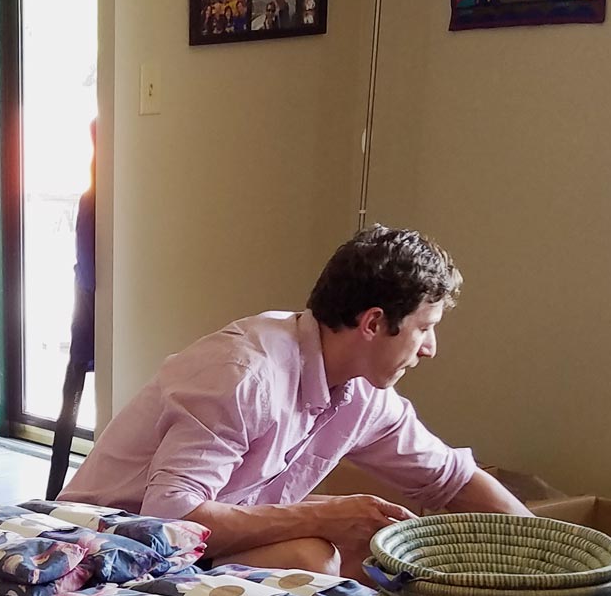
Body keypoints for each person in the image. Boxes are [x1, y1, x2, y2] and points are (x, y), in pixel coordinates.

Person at [58, 226, 530, 577]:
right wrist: (321, 513)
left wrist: (560, 560)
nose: (429, 349)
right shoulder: (245, 373)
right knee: (313, 556)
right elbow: (168, 519)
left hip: (188, 550)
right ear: (372, 323)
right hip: (103, 549)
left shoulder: (362, 395)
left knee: (375, 554)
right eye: (424, 328)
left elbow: (451, 479)